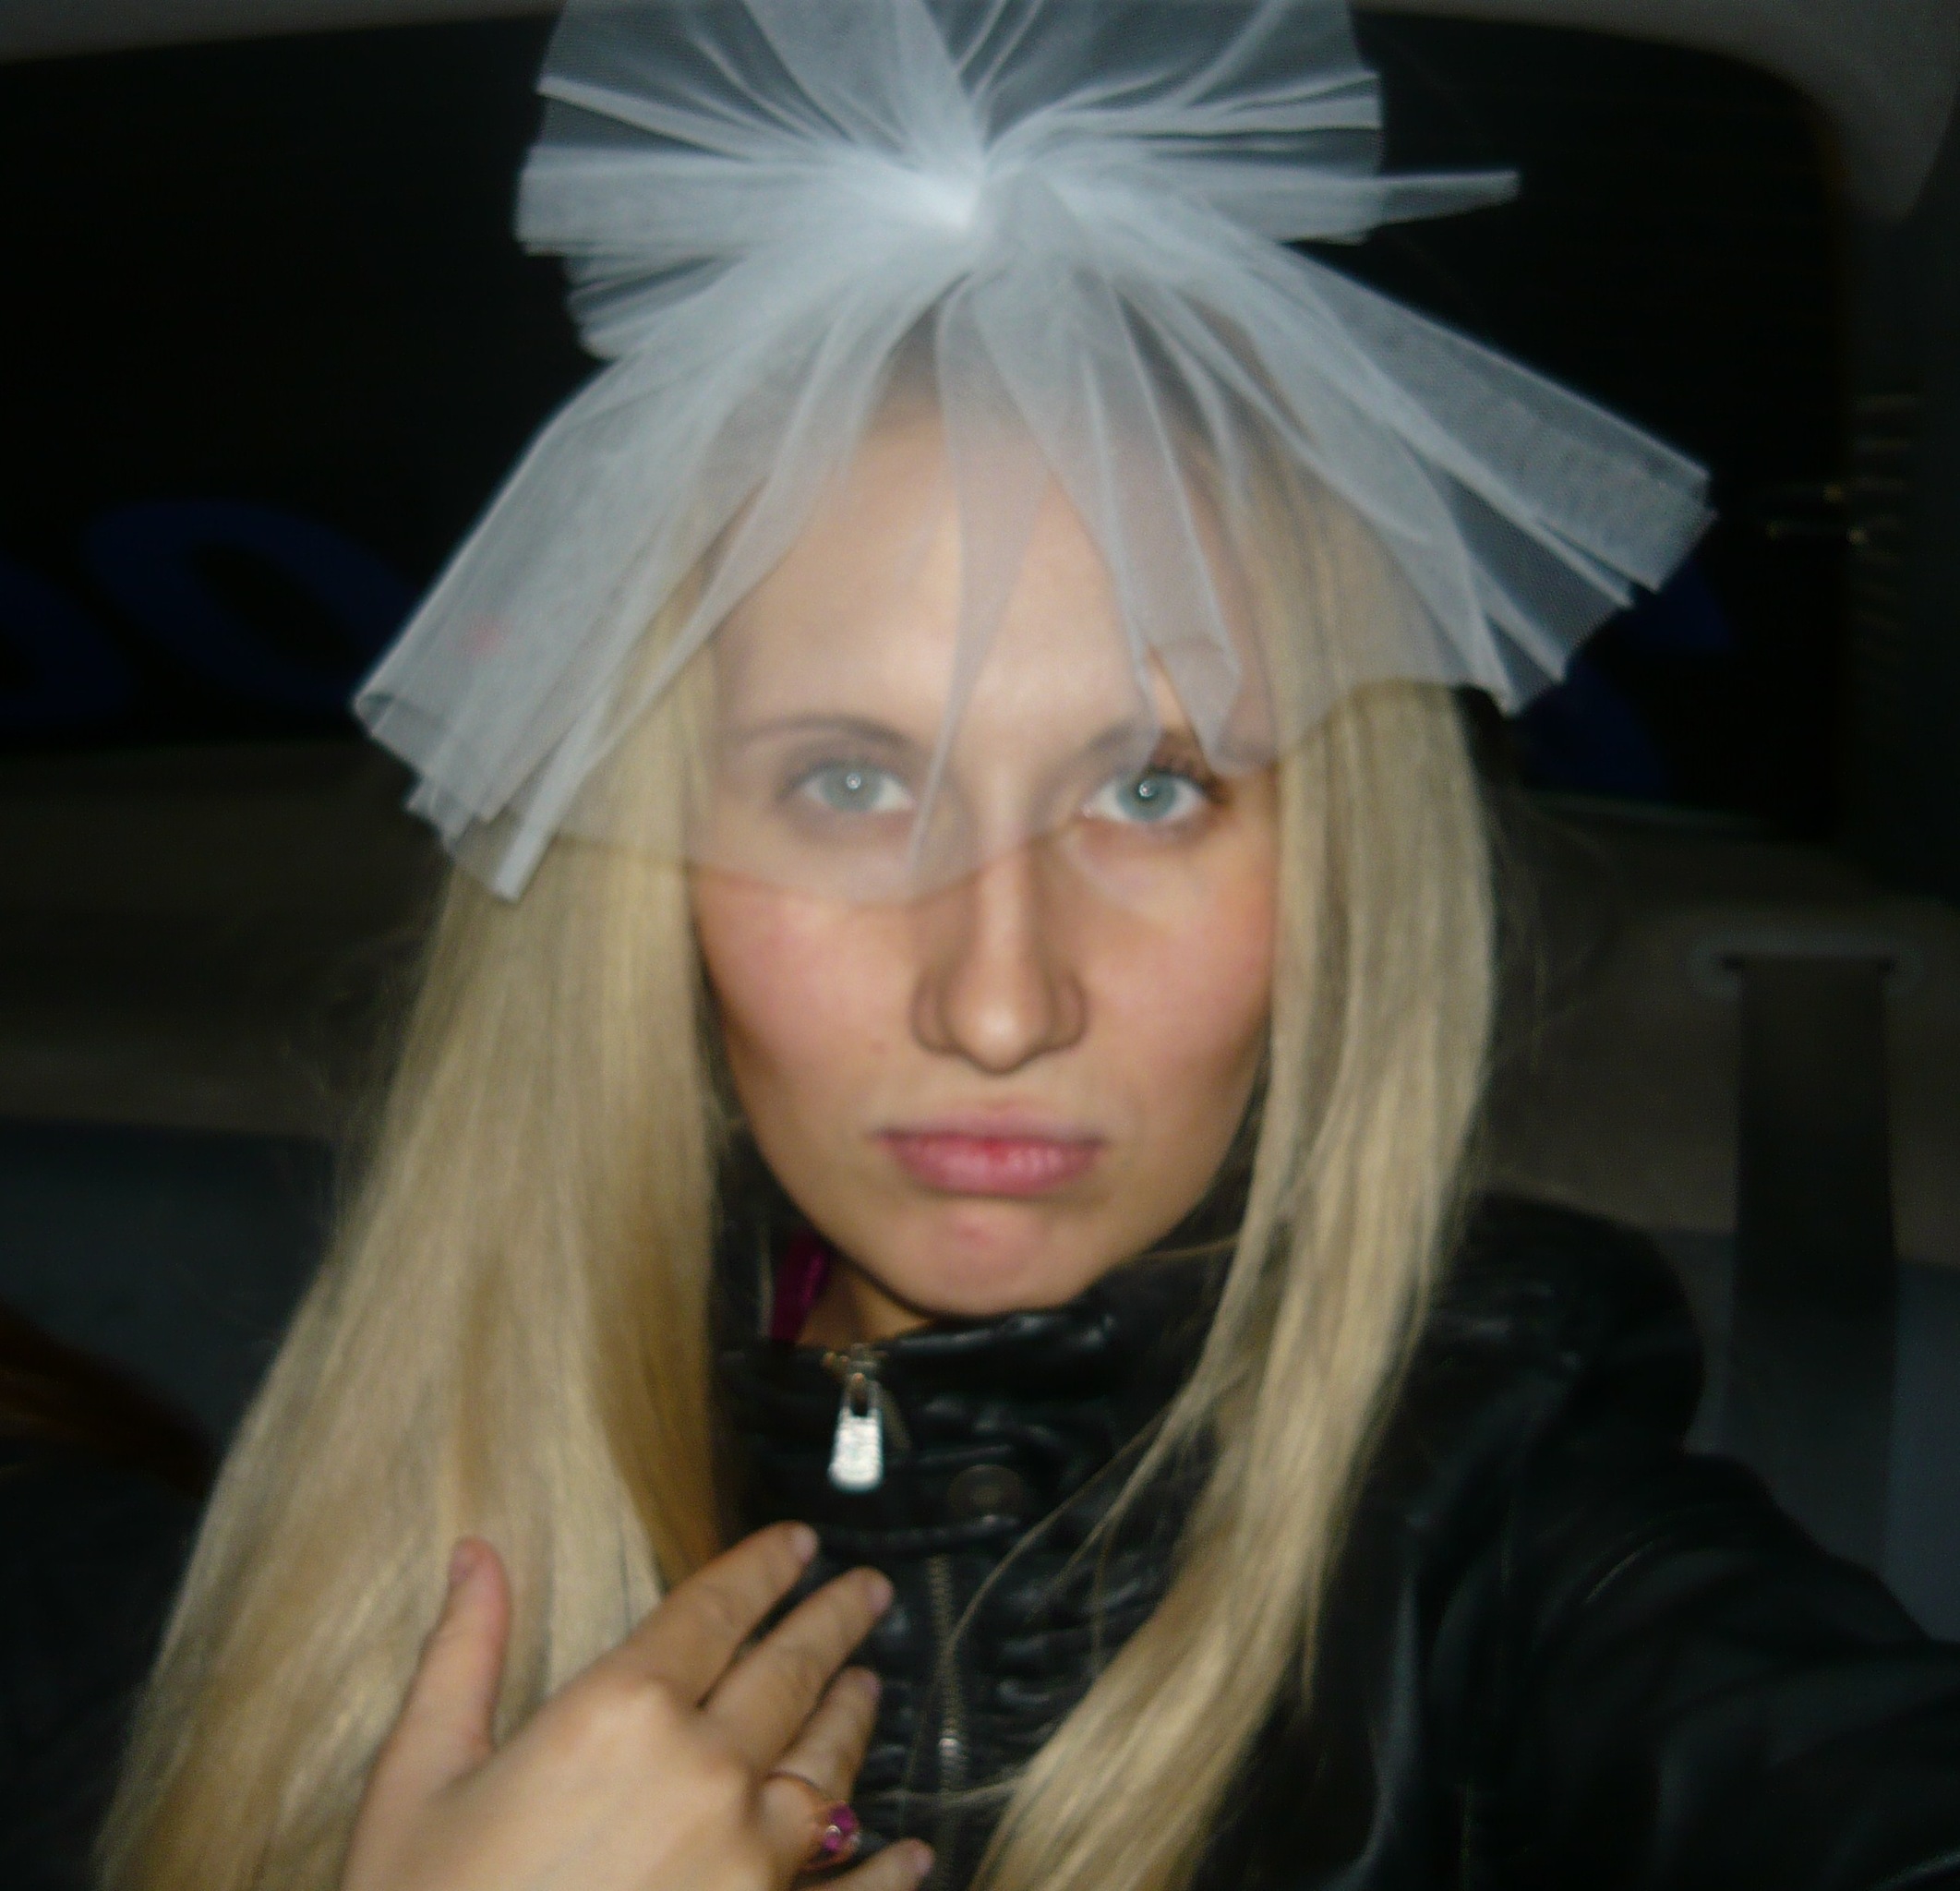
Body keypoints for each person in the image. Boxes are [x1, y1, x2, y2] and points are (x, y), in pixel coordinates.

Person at [102, 3, 1960, 1888]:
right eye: (848, 783)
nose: (998, 1003)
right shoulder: (423, 1464)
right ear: (646, 872)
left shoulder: (1503, 1493)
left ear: (1337, 872)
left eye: (1151, 790)